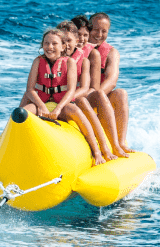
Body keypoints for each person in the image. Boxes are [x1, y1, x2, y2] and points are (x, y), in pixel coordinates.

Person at [21, 28, 107, 165]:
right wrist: (42, 106)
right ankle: (11, 149)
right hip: (42, 103)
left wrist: (58, 109)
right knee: (22, 113)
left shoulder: (69, 62)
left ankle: (96, 152)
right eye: (46, 43)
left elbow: (71, 90)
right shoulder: (37, 61)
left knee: (76, 112)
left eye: (54, 44)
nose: (49, 47)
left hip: (62, 104)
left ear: (63, 47)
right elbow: (30, 90)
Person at [58, 21, 117, 161]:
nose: (66, 44)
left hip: (74, 99)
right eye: (62, 41)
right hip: (57, 101)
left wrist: (65, 99)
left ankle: (104, 149)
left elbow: (89, 88)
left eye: (85, 35)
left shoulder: (86, 58)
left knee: (83, 101)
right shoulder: (50, 58)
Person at [88, 12, 134, 154]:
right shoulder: (76, 48)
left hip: (97, 98)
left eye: (104, 31)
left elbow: (112, 81)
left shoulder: (111, 53)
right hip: (78, 97)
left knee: (121, 93)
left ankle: (120, 143)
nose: (99, 34)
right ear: (88, 28)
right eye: (95, 29)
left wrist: (97, 97)